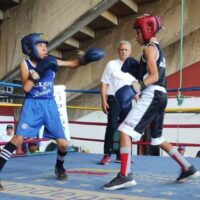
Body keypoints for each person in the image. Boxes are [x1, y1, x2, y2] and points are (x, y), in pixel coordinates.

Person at [103, 14, 200, 190]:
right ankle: (187, 167)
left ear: (147, 30)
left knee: (124, 131)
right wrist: (137, 71)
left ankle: (124, 175)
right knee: (157, 138)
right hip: (160, 96)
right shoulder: (156, 49)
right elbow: (152, 73)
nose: (136, 36)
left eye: (138, 32)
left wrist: (135, 87)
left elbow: (154, 76)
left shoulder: (149, 49)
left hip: (152, 94)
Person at [0, 33, 104, 189]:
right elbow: (26, 88)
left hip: (49, 105)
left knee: (63, 145)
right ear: (30, 48)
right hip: (33, 104)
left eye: (45, 46)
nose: (45, 48)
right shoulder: (25, 64)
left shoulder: (52, 61)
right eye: (40, 46)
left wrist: (85, 59)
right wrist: (39, 72)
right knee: (17, 140)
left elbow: (74, 63)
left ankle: (59, 167)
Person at [100, 40, 139, 165]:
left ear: (130, 51)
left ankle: (122, 155)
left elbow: (136, 87)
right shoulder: (111, 64)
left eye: (126, 50)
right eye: (121, 49)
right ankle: (107, 154)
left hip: (128, 102)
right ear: (118, 51)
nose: (123, 52)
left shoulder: (134, 67)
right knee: (111, 127)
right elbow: (104, 84)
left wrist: (139, 104)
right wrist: (103, 101)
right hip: (114, 99)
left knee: (125, 130)